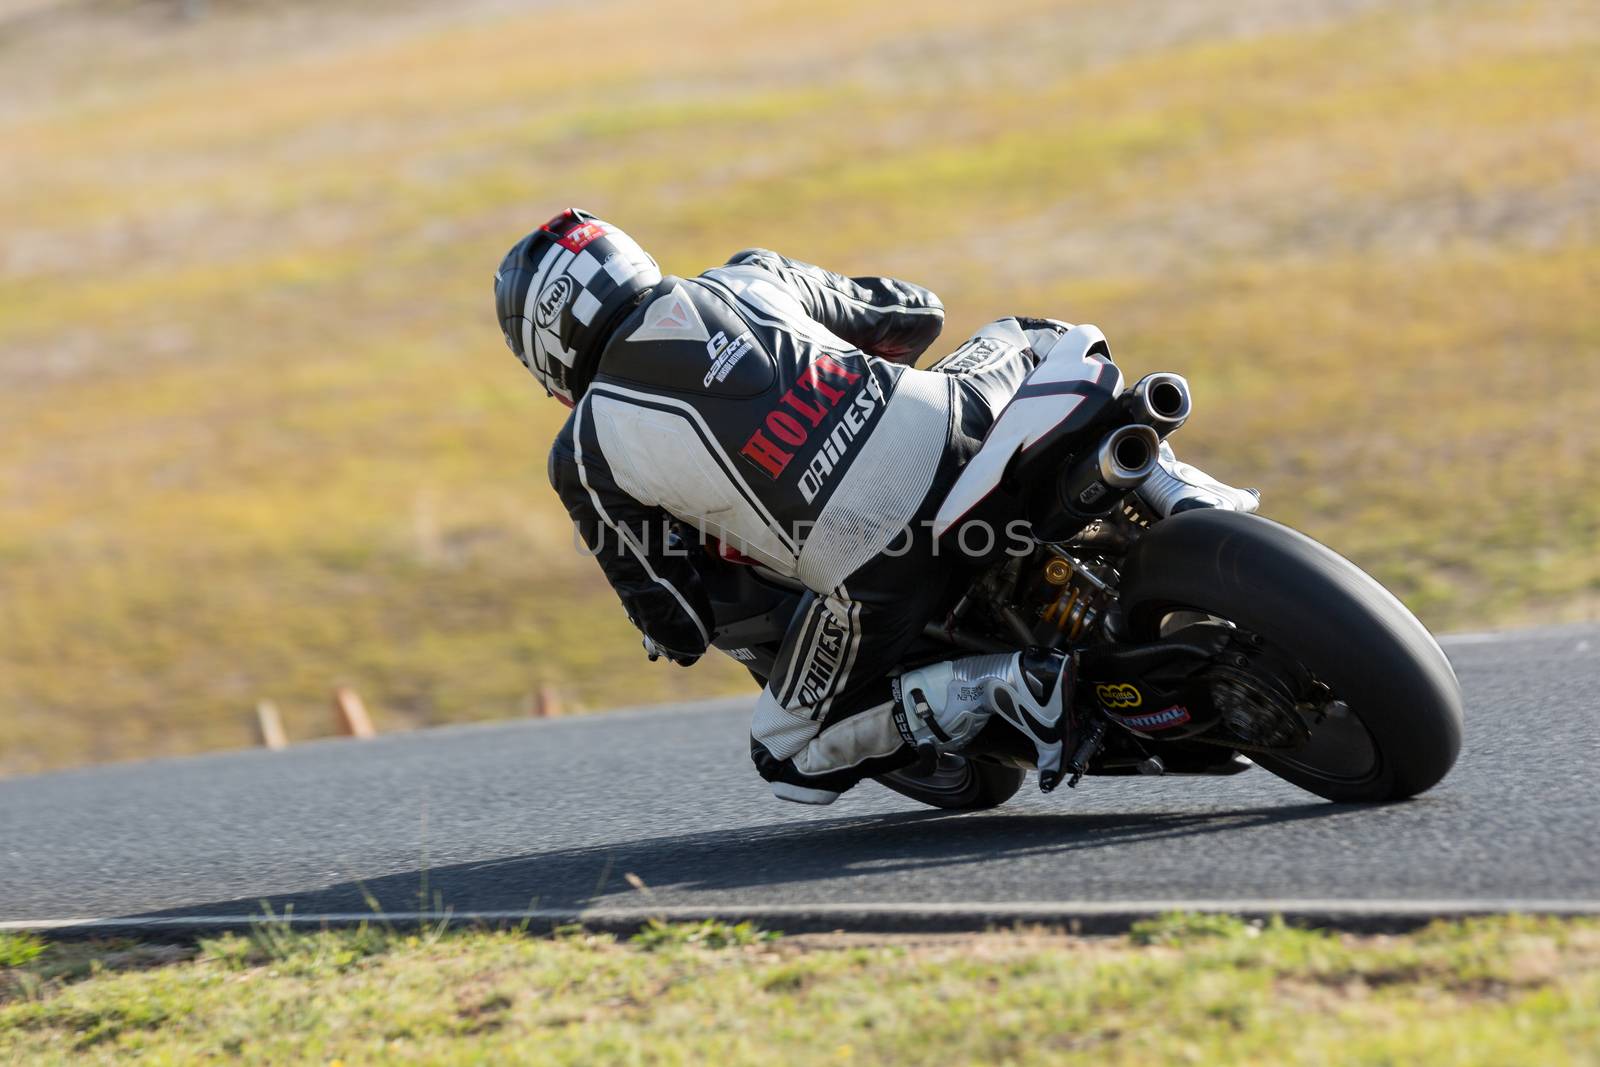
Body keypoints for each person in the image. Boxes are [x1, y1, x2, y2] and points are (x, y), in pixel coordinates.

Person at [494, 209, 1257, 805]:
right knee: (1034, 335)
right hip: (963, 427)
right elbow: (915, 312)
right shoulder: (748, 277)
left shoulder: (585, 452)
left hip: (881, 568)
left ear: (544, 348)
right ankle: (1176, 488)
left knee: (785, 754)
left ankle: (1001, 682)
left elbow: (680, 622)